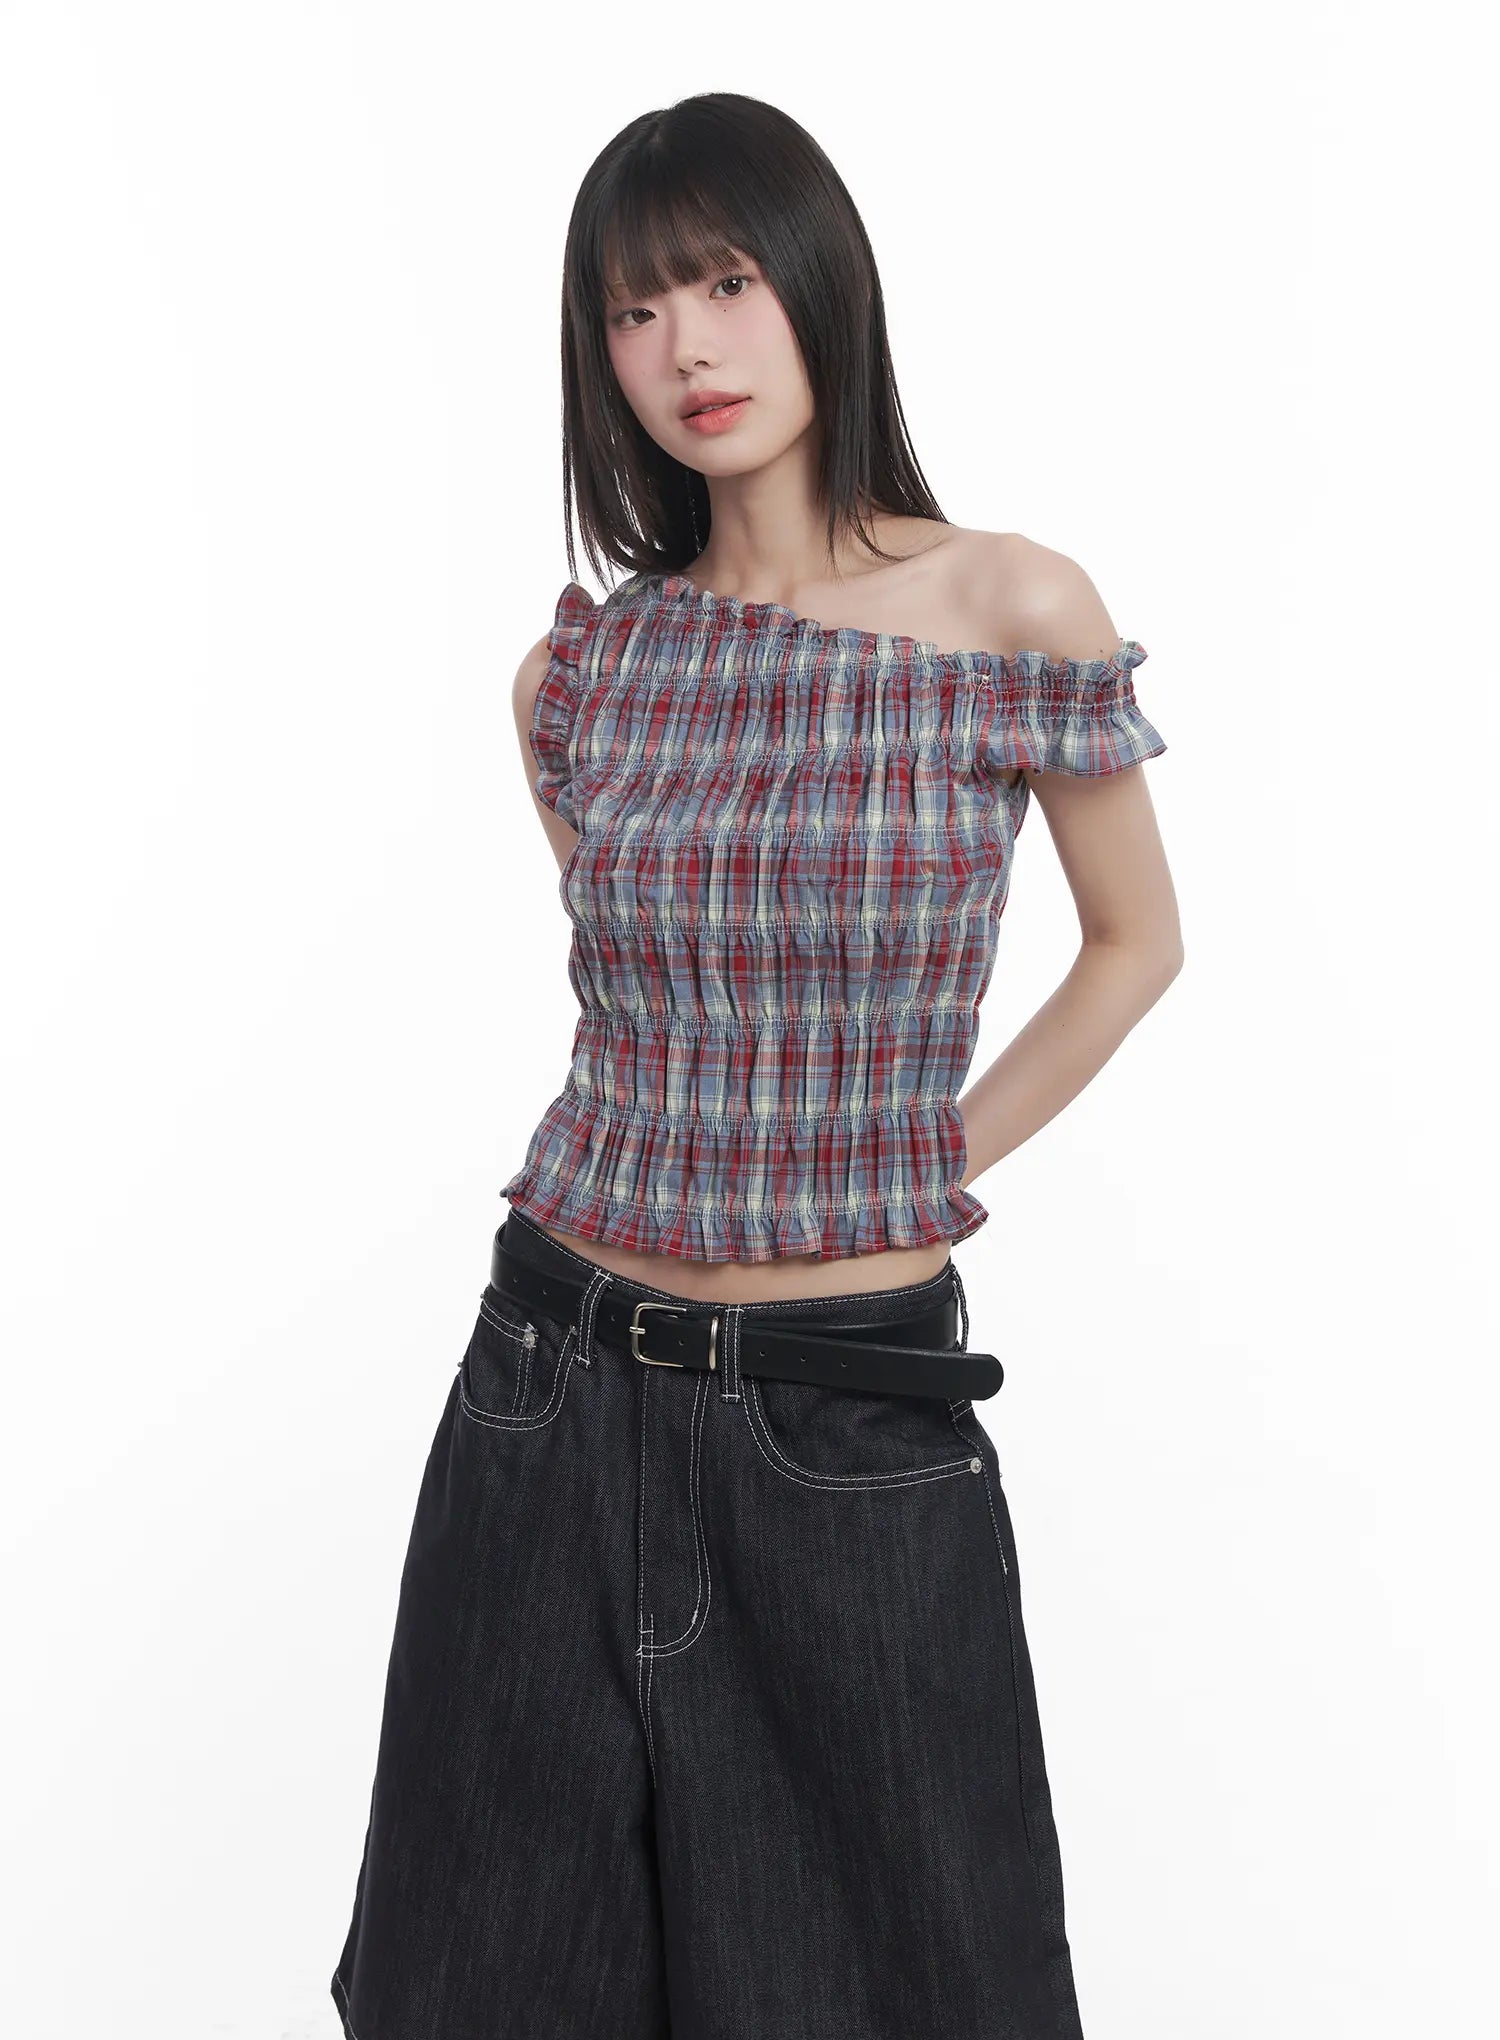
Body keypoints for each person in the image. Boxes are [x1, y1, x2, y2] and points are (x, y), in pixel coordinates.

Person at [330, 89, 1181, 2040]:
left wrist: (917, 1163)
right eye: (634, 310)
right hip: (546, 1391)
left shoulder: (1008, 607)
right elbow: (655, 1013)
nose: (686, 348)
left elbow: (1138, 947)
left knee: (901, 1984)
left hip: (842, 1417)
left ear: (818, 284)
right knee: (491, 1986)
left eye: (722, 283)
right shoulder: (582, 675)